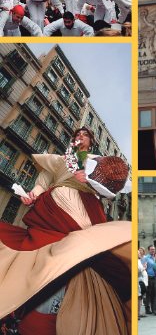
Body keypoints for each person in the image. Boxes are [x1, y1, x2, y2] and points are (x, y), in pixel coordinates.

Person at [0, 127, 132, 335]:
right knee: (50, 253)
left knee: (88, 255)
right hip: (56, 208)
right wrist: (30, 196)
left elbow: (112, 190)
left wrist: (89, 179)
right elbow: (41, 184)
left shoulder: (96, 161)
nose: (79, 136)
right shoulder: (59, 160)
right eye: (76, 134)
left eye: (85, 134)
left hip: (86, 209)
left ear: (91, 141)